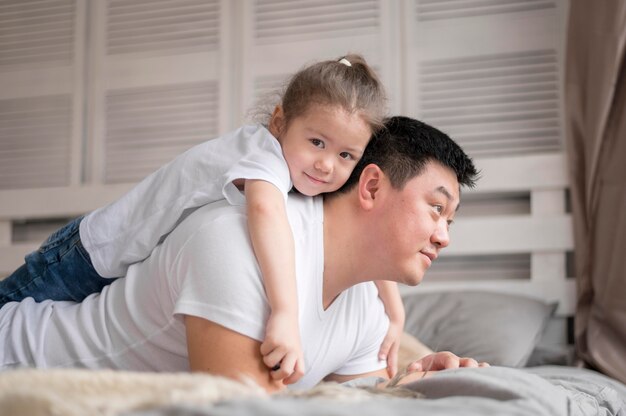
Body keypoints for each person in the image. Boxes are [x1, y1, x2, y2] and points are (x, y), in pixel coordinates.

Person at [0, 55, 406, 381]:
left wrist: (395, 312)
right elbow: (265, 213)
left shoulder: (309, 179)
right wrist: (285, 313)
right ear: (279, 122)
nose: (326, 164)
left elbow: (367, 242)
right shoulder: (266, 158)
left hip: (121, 266)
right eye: (317, 142)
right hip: (88, 253)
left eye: (345, 156)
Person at [0, 116, 482, 391]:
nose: (444, 236)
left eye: (450, 220)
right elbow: (245, 406)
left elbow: (354, 401)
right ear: (372, 185)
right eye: (437, 209)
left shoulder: (367, 309)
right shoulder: (237, 242)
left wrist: (414, 385)